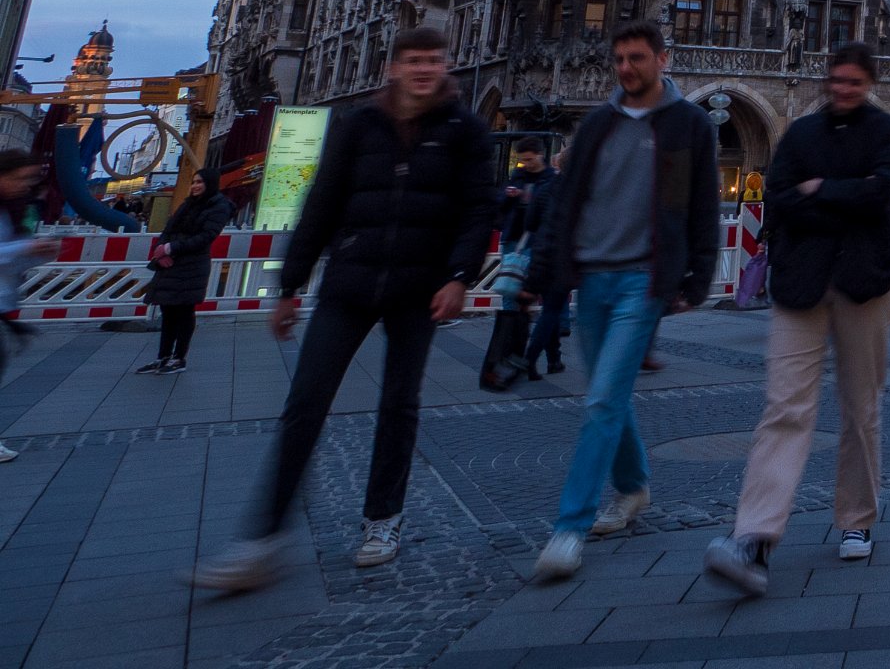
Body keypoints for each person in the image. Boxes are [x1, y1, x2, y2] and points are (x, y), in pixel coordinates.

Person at [193, 29, 495, 585]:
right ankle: (261, 539)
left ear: (445, 66)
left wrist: (458, 277)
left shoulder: (465, 130)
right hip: (350, 281)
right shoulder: (358, 125)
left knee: (399, 404)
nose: (424, 69)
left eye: (433, 60)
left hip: (419, 287)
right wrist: (289, 285)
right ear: (393, 67)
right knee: (305, 402)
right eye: (413, 60)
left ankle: (383, 518)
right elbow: (324, 202)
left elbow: (479, 210)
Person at [703, 41, 890, 593]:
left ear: (869, 84)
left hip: (865, 285)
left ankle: (857, 519)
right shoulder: (799, 134)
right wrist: (843, 194)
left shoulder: (887, 131)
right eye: (836, 79)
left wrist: (821, 191)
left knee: (861, 410)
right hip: (801, 286)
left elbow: (880, 193)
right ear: (825, 80)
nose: (843, 88)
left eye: (853, 81)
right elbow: (780, 196)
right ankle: (754, 537)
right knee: (784, 408)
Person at [528, 21, 721, 583]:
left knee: (602, 400)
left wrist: (697, 277)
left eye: (636, 58)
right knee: (605, 395)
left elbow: (701, 204)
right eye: (618, 59)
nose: (625, 68)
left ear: (664, 59)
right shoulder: (598, 126)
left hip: (643, 279)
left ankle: (569, 528)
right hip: (591, 278)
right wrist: (541, 273)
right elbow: (566, 204)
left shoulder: (688, 125)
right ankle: (634, 487)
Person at [138, 167, 233, 376]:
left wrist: (172, 248)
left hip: (192, 265)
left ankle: (179, 357)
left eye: (200, 182)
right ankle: (163, 356)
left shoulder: (218, 206)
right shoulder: (188, 204)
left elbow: (207, 236)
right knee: (168, 310)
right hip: (172, 264)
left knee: (183, 311)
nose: (196, 186)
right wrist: (162, 250)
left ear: (210, 184)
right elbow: (169, 228)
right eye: (194, 182)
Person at [0, 147, 60, 465]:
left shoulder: (13, 208)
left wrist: (39, 252)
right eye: (22, 178)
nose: (27, 185)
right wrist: (28, 246)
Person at [522, 143, 572, 379]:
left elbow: (530, 222)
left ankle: (554, 360)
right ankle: (529, 359)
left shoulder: (545, 188)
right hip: (562, 257)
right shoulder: (579, 191)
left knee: (549, 307)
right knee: (551, 310)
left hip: (541, 252)